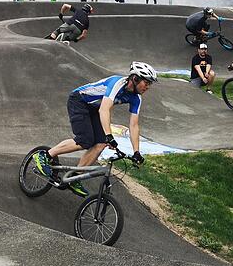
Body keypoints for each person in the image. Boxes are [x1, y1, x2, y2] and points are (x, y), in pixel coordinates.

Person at [32, 62, 157, 197]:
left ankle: (75, 178)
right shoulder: (117, 84)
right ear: (135, 79)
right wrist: (109, 135)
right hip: (79, 101)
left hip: (94, 109)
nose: (148, 87)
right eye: (146, 82)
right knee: (85, 140)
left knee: (101, 143)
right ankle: (45, 155)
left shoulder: (136, 98)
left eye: (150, 84)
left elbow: (134, 125)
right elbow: (105, 109)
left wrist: (136, 151)